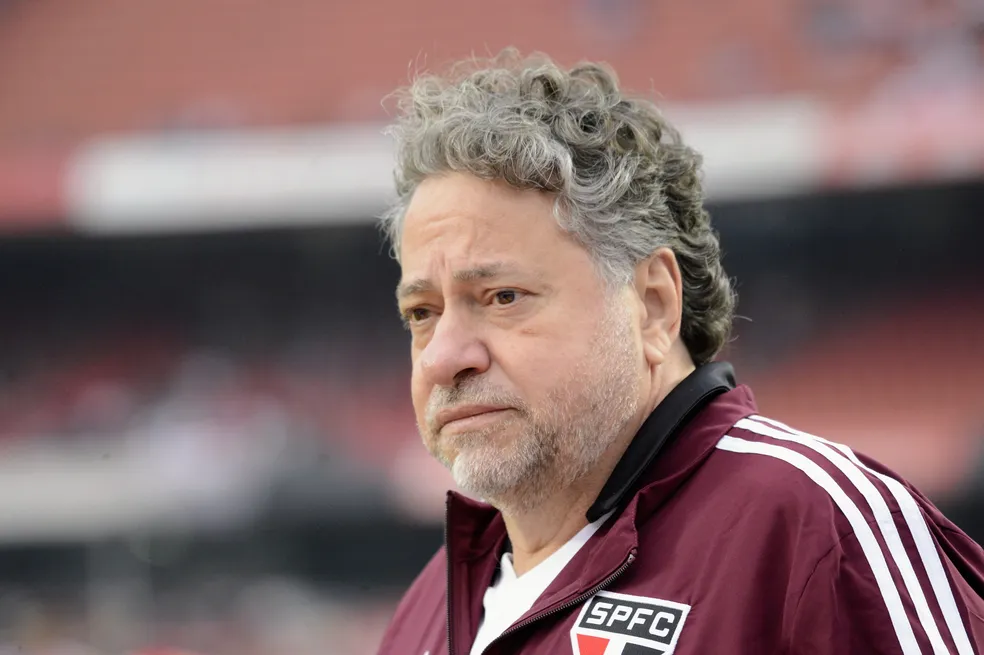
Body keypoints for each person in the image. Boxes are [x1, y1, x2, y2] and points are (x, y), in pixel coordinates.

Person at [374, 49, 984, 655]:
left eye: (503, 297)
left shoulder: (816, 528)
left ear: (653, 304)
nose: (442, 358)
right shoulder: (429, 607)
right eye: (422, 313)